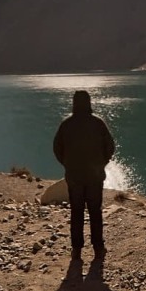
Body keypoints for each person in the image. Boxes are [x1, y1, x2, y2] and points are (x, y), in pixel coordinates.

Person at [53, 90, 116, 262]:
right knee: (95, 211)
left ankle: (77, 249)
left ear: (74, 103)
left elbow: (57, 149)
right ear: (89, 102)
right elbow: (110, 146)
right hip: (95, 176)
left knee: (77, 212)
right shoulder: (98, 123)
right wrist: (101, 163)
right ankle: (98, 246)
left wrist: (68, 165)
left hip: (74, 177)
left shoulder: (66, 124)